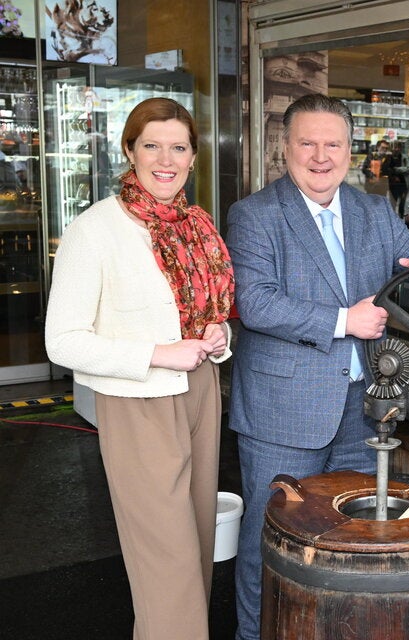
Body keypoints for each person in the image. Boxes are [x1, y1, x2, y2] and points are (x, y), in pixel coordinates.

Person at [225, 93, 409, 640]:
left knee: (350, 542)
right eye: (307, 142)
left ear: (351, 150)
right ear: (285, 149)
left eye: (333, 144)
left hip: (362, 412)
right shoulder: (254, 215)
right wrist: (342, 320)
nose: (320, 155)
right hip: (282, 415)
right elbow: (255, 302)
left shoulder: (372, 210)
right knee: (272, 546)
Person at [45, 97, 234, 639]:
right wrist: (156, 352)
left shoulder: (196, 226)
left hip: (200, 390)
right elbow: (62, 341)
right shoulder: (96, 229)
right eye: (151, 145)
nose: (165, 159)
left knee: (196, 545)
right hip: (138, 401)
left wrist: (217, 337)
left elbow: (205, 314)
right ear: (129, 151)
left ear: (194, 158)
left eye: (178, 147)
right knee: (167, 562)